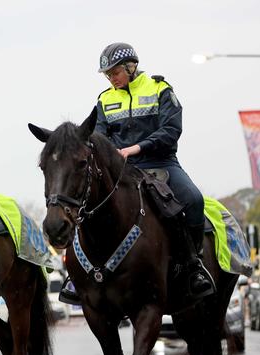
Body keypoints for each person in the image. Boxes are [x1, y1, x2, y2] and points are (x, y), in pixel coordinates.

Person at [60, 42, 214, 306]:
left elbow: (171, 129)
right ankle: (76, 275)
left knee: (194, 200)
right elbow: (99, 137)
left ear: (131, 67)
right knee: (86, 203)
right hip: (123, 169)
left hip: (161, 163)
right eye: (107, 75)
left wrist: (137, 147)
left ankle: (193, 265)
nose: (112, 78)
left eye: (116, 72)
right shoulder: (104, 99)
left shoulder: (160, 89)